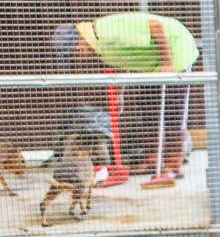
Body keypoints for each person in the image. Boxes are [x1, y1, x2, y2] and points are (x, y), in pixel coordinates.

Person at [51, 13, 199, 180]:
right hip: (151, 62)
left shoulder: (108, 33)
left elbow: (155, 25)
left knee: (173, 111)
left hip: (175, 51)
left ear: (79, 48)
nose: (78, 60)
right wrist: (120, 94)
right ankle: (152, 160)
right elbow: (126, 59)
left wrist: (167, 63)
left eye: (74, 56)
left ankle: (173, 166)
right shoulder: (99, 46)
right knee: (148, 106)